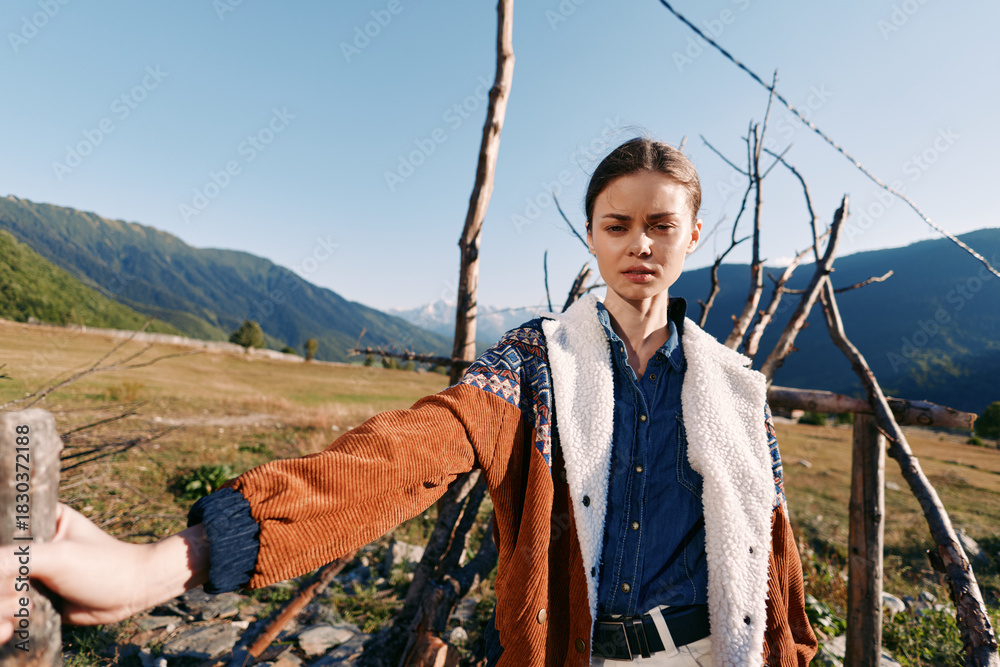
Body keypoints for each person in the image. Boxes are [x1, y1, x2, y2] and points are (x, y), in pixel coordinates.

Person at [1, 137, 816, 666]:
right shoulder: (537, 367)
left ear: (694, 235)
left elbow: (775, 568)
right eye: (618, 224)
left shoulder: (737, 390)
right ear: (592, 235)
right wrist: (168, 562)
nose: (640, 243)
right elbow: (404, 455)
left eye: (662, 224)